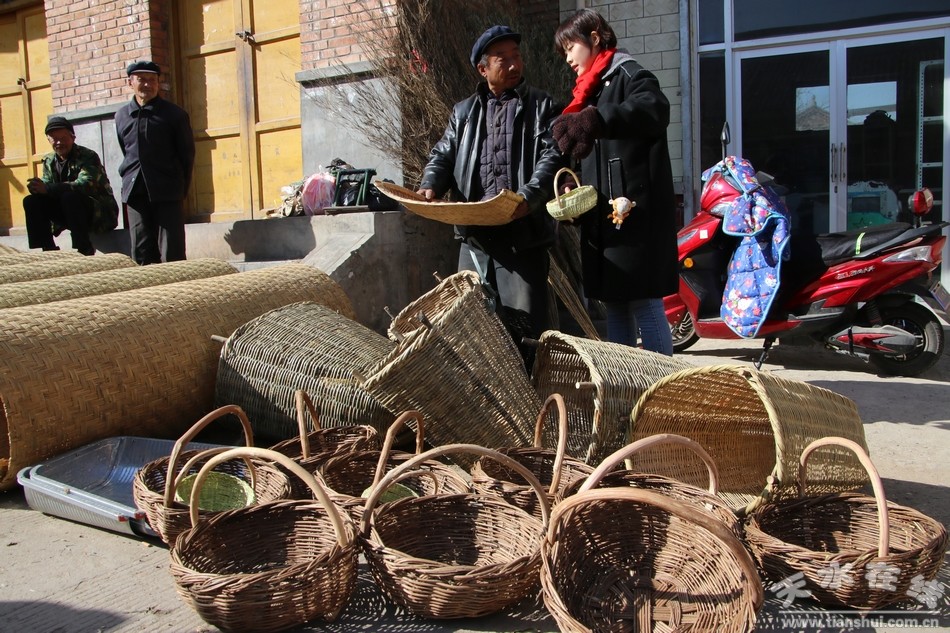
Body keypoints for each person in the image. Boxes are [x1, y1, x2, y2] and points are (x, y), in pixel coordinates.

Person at [416, 25, 565, 366]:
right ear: (483, 69)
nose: (514, 65)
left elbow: (553, 157)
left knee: (525, 331)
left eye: (517, 56)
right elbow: (443, 154)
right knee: (472, 328)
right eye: (503, 59)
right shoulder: (464, 113)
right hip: (476, 237)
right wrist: (430, 183)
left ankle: (528, 394)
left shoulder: (542, 106)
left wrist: (527, 197)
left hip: (522, 236)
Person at [552, 9, 678, 355]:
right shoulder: (591, 91)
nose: (567, 58)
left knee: (645, 302)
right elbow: (597, 155)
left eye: (570, 47)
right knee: (617, 304)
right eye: (563, 52)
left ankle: (662, 381)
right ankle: (625, 382)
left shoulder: (629, 74)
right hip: (606, 220)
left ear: (594, 38)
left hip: (634, 217)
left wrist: (597, 119)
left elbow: (655, 108)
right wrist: (574, 185)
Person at [115, 60, 195, 265]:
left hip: (167, 189)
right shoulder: (122, 115)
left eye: (152, 80)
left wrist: (180, 188)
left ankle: (176, 285)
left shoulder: (175, 115)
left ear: (158, 83)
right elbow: (126, 151)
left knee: (172, 251)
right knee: (141, 250)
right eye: (141, 80)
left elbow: (186, 155)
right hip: (135, 190)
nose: (147, 85)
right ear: (130, 82)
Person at [23, 116, 119, 256]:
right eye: (54, 139)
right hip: (69, 213)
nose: (59, 143)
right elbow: (47, 184)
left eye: (63, 138)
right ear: (49, 140)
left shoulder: (88, 156)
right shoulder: (49, 160)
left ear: (73, 137)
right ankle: (47, 249)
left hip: (96, 213)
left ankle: (83, 248)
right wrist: (37, 187)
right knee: (31, 201)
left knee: (69, 197)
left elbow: (86, 183)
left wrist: (48, 188)